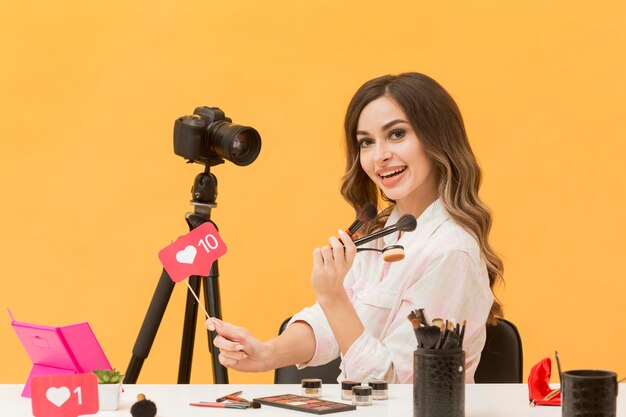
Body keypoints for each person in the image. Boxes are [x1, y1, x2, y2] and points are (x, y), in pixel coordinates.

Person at [206, 72, 504, 383]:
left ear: (437, 139)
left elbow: (397, 384)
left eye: (397, 134)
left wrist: (333, 297)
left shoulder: (451, 252)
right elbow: (330, 325)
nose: (380, 156)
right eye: (366, 142)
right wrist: (267, 353)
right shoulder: (382, 234)